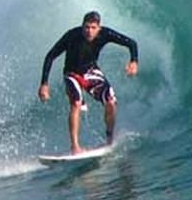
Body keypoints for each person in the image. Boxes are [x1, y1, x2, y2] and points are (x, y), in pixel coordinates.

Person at [38, 10, 139, 153]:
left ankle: (109, 139)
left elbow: (131, 43)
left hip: (91, 71)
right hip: (72, 73)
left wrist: (134, 61)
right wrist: (44, 84)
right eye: (86, 27)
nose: (89, 31)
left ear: (99, 28)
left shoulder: (105, 34)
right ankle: (75, 146)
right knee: (76, 103)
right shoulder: (72, 35)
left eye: (93, 28)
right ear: (82, 26)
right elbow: (50, 56)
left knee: (110, 101)